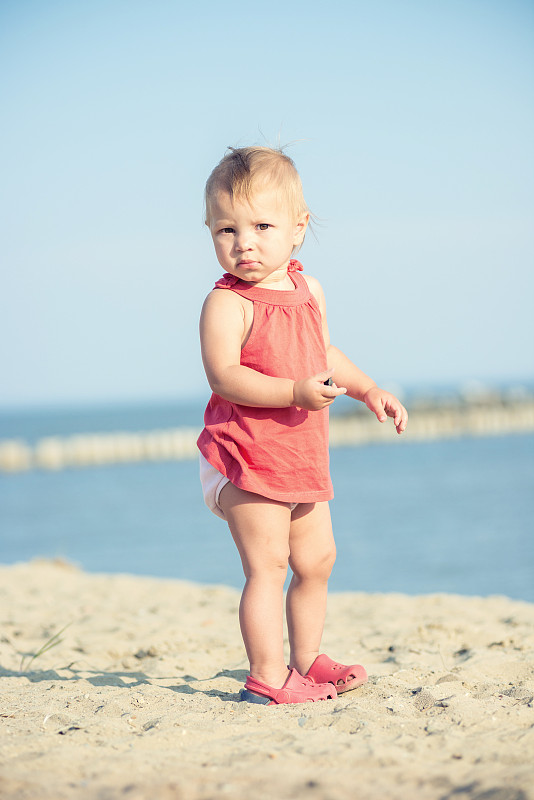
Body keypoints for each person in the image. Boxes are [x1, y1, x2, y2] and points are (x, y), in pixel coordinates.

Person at [197, 146, 408, 705]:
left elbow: (324, 351)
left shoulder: (308, 290)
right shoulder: (227, 304)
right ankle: (266, 678)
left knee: (316, 561)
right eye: (226, 228)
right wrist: (292, 392)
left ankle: (308, 660)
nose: (244, 242)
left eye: (262, 225)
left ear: (297, 228)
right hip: (245, 455)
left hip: (300, 455)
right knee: (266, 566)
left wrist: (368, 389)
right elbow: (224, 376)